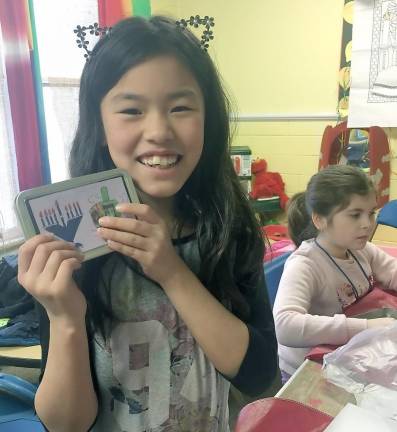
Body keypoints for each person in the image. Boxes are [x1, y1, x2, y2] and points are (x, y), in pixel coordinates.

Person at [17, 16, 278, 431]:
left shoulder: (229, 230)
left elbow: (261, 376)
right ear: (100, 126)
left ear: (208, 119)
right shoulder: (74, 249)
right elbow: (66, 425)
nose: (159, 131)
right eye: (131, 110)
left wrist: (173, 272)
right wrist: (64, 318)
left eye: (180, 107)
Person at [273, 165, 397, 383]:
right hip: (308, 369)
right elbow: (285, 326)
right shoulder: (305, 264)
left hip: (349, 355)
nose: (367, 224)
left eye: (371, 213)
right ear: (320, 220)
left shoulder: (360, 249)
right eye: (355, 215)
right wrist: (367, 327)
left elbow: (392, 272)